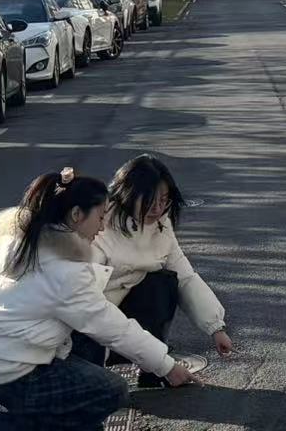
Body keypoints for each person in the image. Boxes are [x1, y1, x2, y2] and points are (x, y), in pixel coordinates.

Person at [0, 169, 202, 431]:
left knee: (83, 344)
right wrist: (166, 366)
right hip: (11, 379)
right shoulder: (66, 270)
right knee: (111, 390)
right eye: (100, 216)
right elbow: (114, 328)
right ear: (76, 215)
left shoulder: (11, 244)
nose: (102, 226)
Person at [70, 154, 232, 387]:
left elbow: (186, 277)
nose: (157, 209)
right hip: (88, 319)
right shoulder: (99, 225)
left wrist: (216, 328)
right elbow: (87, 307)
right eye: (149, 201)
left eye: (164, 200)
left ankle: (151, 367)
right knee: (100, 389)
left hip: (121, 319)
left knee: (164, 283)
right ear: (128, 194)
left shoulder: (161, 225)